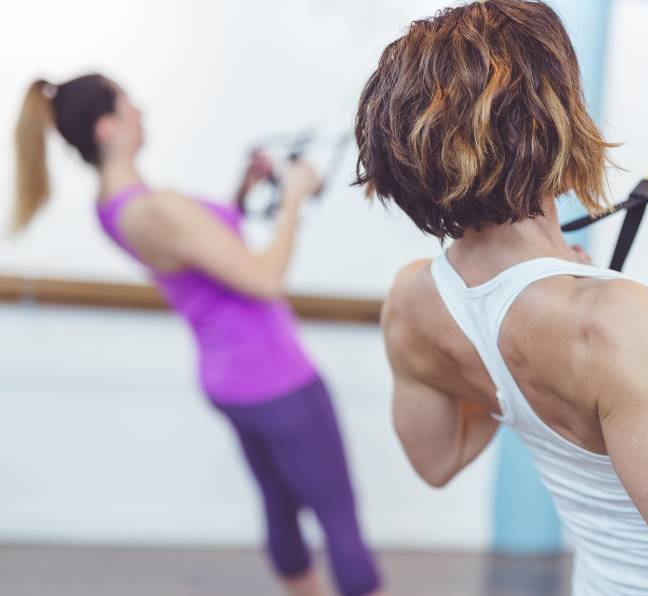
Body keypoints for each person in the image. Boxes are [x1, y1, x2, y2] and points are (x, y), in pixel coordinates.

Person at [355, 1, 648, 594]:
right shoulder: (612, 320)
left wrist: (506, 358)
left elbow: (435, 461)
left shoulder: (413, 299)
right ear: (551, 125)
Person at [12, 74, 384, 596]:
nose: (143, 112)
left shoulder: (115, 208)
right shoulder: (155, 208)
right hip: (277, 378)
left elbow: (199, 252)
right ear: (108, 127)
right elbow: (263, 279)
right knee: (339, 518)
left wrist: (242, 192)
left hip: (231, 381)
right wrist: (296, 197)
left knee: (280, 509)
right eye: (131, 104)